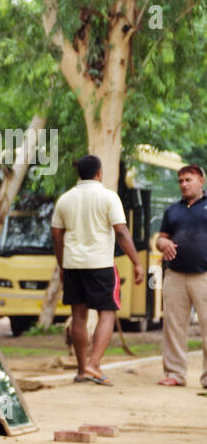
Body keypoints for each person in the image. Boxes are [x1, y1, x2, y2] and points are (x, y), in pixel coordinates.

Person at [50, 154, 145, 385]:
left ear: (78, 173)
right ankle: (94, 365)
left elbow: (56, 235)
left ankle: (82, 370)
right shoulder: (108, 197)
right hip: (100, 265)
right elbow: (121, 232)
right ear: (100, 173)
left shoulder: (65, 199)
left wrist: (62, 264)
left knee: (78, 316)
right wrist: (137, 262)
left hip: (73, 265)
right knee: (107, 313)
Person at [155, 163, 207, 387]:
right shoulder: (172, 210)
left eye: (189, 180)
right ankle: (175, 374)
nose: (184, 184)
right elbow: (160, 238)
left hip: (204, 275)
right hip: (175, 275)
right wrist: (163, 242)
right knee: (174, 326)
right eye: (181, 181)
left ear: (201, 181)